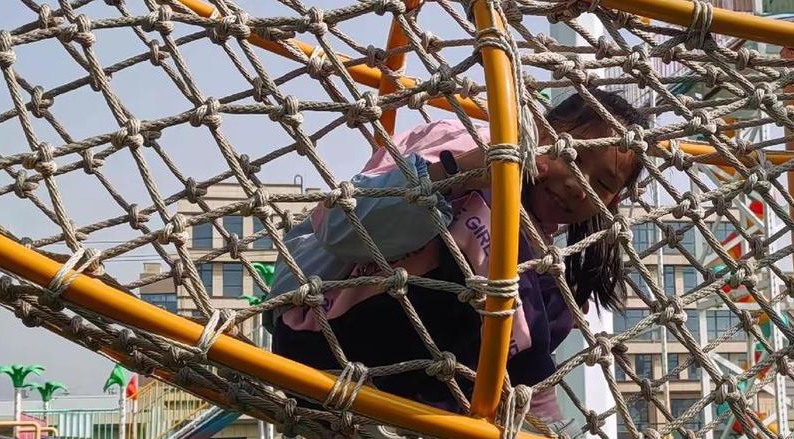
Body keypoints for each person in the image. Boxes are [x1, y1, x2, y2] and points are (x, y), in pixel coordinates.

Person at [267, 89, 648, 422]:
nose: (578, 185)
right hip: (319, 334)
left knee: (550, 297)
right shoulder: (465, 143)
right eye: (572, 156)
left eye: (602, 183)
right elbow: (339, 226)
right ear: (540, 129)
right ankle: (535, 418)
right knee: (504, 241)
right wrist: (457, 172)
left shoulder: (545, 260)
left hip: (401, 384)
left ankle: (453, 432)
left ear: (612, 201)